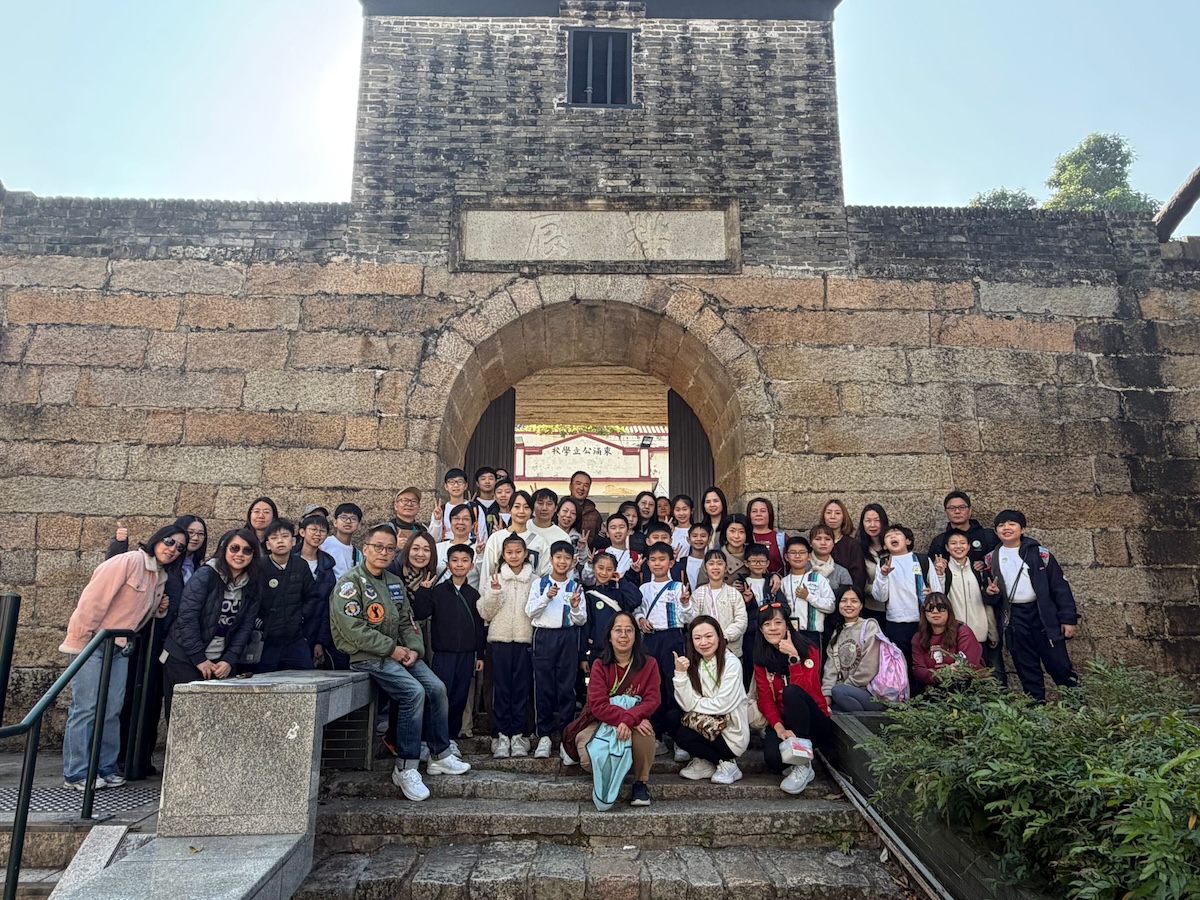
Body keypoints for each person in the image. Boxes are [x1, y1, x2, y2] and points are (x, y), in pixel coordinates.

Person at [329, 523, 470, 802]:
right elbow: (353, 629)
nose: (384, 553)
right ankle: (405, 767)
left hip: (399, 652)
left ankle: (440, 754)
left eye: (390, 549)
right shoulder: (350, 584)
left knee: (437, 688)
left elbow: (407, 621)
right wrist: (392, 649)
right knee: (413, 692)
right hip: (368, 656)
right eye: (378, 547)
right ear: (365, 549)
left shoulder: (394, 583)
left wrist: (414, 649)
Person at [60, 524, 185, 790]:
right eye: (169, 541)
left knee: (112, 708)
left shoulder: (159, 576)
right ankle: (77, 772)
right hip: (94, 642)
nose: (173, 549)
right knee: (86, 707)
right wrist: (80, 641)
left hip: (120, 646)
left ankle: (106, 767)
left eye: (179, 547)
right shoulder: (128, 561)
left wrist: (158, 609)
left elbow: (136, 614)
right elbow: (93, 600)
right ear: (156, 540)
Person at [162, 529, 262, 722]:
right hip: (184, 657)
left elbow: (245, 627)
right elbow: (187, 617)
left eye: (247, 550)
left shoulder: (253, 584)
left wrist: (229, 660)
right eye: (234, 548)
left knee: (215, 721)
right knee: (183, 720)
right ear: (224, 549)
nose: (240, 554)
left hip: (219, 662)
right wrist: (199, 658)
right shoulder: (206, 574)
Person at [563, 611, 660, 807]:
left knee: (645, 733)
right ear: (609, 636)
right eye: (618, 630)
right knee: (588, 761)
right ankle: (615, 769)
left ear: (636, 635)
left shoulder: (649, 664)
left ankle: (640, 783)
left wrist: (631, 719)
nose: (623, 635)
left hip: (636, 720)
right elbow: (598, 704)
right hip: (600, 721)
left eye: (629, 630)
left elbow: (652, 700)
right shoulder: (599, 665)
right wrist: (628, 719)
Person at [984, 510, 1079, 702]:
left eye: (1012, 524)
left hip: (1043, 614)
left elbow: (1059, 587)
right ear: (996, 531)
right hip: (1014, 616)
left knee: (1059, 665)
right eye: (1001, 525)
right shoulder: (991, 558)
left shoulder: (1040, 554)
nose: (1006, 528)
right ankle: (1036, 707)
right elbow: (990, 596)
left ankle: (1075, 704)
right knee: (1026, 666)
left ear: (1022, 529)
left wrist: (1068, 619)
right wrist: (991, 594)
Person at [410, 544, 486, 757]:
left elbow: (479, 627)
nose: (459, 564)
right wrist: (424, 591)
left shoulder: (474, 594)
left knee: (460, 697)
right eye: (455, 560)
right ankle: (432, 739)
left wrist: (480, 655)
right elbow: (420, 613)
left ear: (471, 566)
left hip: (467, 654)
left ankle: (450, 739)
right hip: (443, 653)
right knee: (439, 695)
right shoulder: (437, 591)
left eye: (464, 561)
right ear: (448, 564)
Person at [753, 600, 831, 795]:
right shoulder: (761, 657)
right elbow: (765, 698)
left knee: (792, 692)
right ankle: (798, 760)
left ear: (787, 625)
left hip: (814, 721)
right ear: (761, 630)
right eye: (767, 624)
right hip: (786, 720)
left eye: (778, 622)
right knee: (773, 760)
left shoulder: (808, 649)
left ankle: (803, 764)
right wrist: (779, 728)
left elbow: (808, 690)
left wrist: (794, 659)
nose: (773, 628)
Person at [668, 616, 749, 785]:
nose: (703, 642)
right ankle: (707, 761)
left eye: (709, 636)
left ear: (719, 637)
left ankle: (728, 764)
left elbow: (723, 704)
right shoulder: (694, 663)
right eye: (697, 638)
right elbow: (685, 703)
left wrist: (694, 704)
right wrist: (680, 674)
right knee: (672, 718)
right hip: (706, 725)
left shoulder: (731, 663)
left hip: (730, 732)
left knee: (683, 718)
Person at [526, 541, 587, 761]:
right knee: (543, 686)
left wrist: (575, 607)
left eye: (566, 558)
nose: (562, 561)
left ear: (572, 562)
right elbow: (530, 612)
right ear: (551, 559)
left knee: (566, 687)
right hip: (544, 636)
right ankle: (544, 735)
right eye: (558, 557)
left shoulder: (575, 587)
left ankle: (566, 737)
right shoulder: (540, 583)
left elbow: (581, 619)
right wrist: (547, 597)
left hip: (567, 637)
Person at [477, 534, 535, 759]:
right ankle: (501, 735)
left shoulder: (535, 580)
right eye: (509, 552)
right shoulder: (495, 578)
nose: (514, 556)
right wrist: (494, 592)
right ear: (503, 554)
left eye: (518, 552)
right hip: (499, 640)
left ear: (526, 553)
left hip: (525, 640)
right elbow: (485, 613)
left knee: (522, 689)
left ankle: (519, 734)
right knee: (500, 689)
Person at [635, 542, 695, 753]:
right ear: (648, 563)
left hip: (673, 639)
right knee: (653, 686)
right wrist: (641, 620)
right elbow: (637, 611)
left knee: (674, 685)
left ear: (671, 563)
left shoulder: (678, 587)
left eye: (662, 559)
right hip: (650, 641)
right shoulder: (643, 589)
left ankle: (679, 739)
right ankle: (657, 734)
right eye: (653, 559)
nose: (657, 563)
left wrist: (685, 603)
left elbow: (689, 618)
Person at [872, 524, 941, 678]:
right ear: (884, 545)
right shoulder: (883, 564)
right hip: (895, 622)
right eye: (888, 536)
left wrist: (931, 594)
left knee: (925, 663)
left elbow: (938, 592)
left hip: (922, 621)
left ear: (908, 541)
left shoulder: (922, 560)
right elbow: (880, 597)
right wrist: (883, 576)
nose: (893, 537)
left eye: (897, 534)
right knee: (901, 666)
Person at [254, 519, 323, 672]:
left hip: (295, 638)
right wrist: (261, 624)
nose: (280, 541)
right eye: (274, 538)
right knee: (263, 680)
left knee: (307, 676)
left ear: (293, 541)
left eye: (285, 536)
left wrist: (300, 616)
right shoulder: (260, 567)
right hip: (267, 639)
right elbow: (251, 600)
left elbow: (312, 596)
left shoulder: (300, 565)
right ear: (268, 545)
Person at [936, 531, 1001, 681]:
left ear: (969, 546)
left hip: (979, 634)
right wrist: (940, 574)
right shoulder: (944, 570)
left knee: (981, 676)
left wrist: (992, 632)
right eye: (953, 543)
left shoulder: (978, 571)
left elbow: (986, 604)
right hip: (954, 635)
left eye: (962, 543)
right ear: (947, 548)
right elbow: (938, 597)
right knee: (956, 678)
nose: (958, 546)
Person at [821, 589, 885, 712]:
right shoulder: (837, 633)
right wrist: (827, 694)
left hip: (870, 693)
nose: (848, 604)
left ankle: (862, 723)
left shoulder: (869, 626)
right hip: (844, 694)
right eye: (844, 601)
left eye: (854, 601)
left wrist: (844, 687)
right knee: (833, 711)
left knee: (838, 692)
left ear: (861, 605)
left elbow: (869, 667)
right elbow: (830, 669)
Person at [579, 551, 641, 674]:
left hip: (619, 649)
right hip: (597, 649)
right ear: (593, 568)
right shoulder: (588, 595)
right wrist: (583, 656)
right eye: (600, 568)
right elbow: (586, 626)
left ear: (614, 571)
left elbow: (636, 600)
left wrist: (622, 581)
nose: (604, 573)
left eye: (609, 569)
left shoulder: (619, 593)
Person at [295, 513, 341, 669]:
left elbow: (328, 606)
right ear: (302, 532)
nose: (318, 534)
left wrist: (320, 641)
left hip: (315, 629)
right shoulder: (290, 559)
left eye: (322, 531)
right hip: (291, 630)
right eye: (313, 529)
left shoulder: (327, 565)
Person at [912, 592, 985, 687]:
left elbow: (968, 664)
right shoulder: (918, 638)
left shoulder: (963, 632)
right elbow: (918, 671)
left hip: (967, 687)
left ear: (949, 611)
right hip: (934, 689)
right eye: (930, 608)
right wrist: (944, 672)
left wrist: (945, 672)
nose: (935, 611)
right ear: (924, 612)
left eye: (941, 607)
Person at [775, 536, 835, 649]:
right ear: (786, 557)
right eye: (793, 552)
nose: (797, 556)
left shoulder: (818, 579)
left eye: (802, 552)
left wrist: (809, 597)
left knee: (812, 660)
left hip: (812, 634)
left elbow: (831, 606)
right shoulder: (783, 582)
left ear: (809, 556)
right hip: (788, 634)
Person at [691, 550, 748, 664]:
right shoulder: (698, 594)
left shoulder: (734, 593)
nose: (715, 567)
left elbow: (741, 621)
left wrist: (723, 637)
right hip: (704, 649)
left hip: (731, 650)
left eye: (720, 563)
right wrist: (707, 638)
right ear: (705, 568)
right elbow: (693, 620)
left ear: (726, 568)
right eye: (711, 563)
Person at [480, 490, 549, 578]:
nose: (521, 511)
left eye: (526, 507)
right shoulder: (496, 538)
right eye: (517, 506)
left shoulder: (539, 541)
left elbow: (544, 574)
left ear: (531, 511)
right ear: (509, 509)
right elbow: (487, 572)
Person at [928, 491, 998, 571]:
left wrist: (985, 563)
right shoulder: (939, 541)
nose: (957, 511)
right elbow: (929, 569)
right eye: (952, 508)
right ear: (946, 512)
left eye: (962, 507)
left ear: (970, 510)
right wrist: (935, 566)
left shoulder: (988, 536)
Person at [819, 499, 866, 595]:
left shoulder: (852, 545)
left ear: (843, 517)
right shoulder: (816, 543)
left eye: (837, 513)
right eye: (828, 513)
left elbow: (859, 578)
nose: (832, 517)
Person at [429, 469, 486, 545]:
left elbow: (483, 535)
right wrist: (437, 520)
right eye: (451, 482)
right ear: (446, 486)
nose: (456, 485)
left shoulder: (475, 509)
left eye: (460, 482)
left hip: (470, 547)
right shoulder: (441, 510)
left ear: (465, 486)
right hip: (446, 548)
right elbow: (433, 539)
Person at [857, 503, 889, 622]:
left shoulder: (894, 546)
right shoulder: (859, 549)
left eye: (877, 520)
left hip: (896, 607)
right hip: (872, 608)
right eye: (868, 521)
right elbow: (860, 581)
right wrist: (879, 589)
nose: (872, 525)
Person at [809, 524, 853, 599]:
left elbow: (848, 599)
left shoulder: (841, 572)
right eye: (818, 539)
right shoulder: (802, 568)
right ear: (810, 543)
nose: (823, 543)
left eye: (827, 539)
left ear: (833, 543)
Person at [321, 503, 364, 580]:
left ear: (359, 525)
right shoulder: (324, 544)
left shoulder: (358, 554)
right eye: (343, 517)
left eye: (353, 519)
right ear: (335, 522)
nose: (348, 521)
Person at [746, 497, 786, 576]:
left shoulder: (781, 539)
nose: (758, 514)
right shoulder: (744, 537)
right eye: (754, 511)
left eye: (763, 511)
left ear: (769, 514)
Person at [717, 513, 752, 584]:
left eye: (741, 532)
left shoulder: (754, 555)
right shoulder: (714, 556)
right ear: (725, 532)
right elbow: (702, 586)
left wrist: (773, 576)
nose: (736, 536)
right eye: (732, 531)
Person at [567, 470, 603, 537]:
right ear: (570, 486)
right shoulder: (558, 510)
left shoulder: (594, 514)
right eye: (578, 484)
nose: (581, 488)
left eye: (586, 486)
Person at [472, 467, 504, 538]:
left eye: (491, 478)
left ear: (496, 481)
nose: (487, 481)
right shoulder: (473, 505)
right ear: (477, 483)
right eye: (483, 479)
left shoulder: (500, 505)